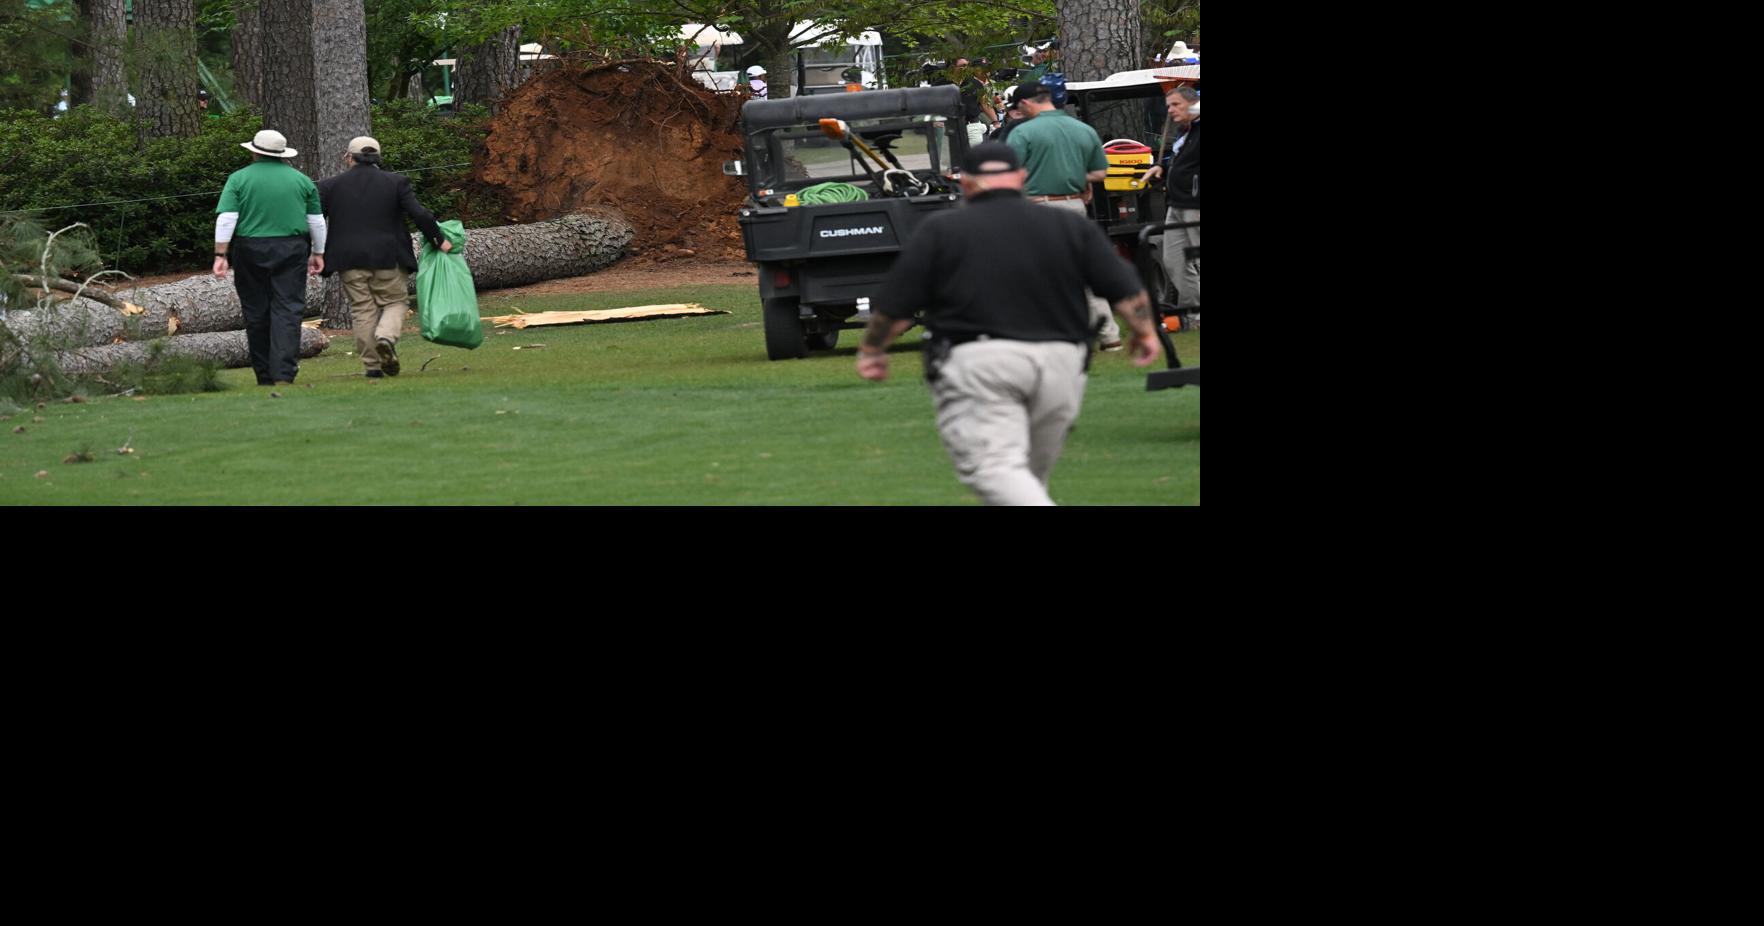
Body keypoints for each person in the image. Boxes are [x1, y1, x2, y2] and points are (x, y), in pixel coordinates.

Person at [857, 142, 1160, 506]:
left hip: (981, 360)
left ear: (965, 182)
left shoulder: (941, 229)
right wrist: (1144, 333)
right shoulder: (1067, 225)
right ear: (1021, 178)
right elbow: (1126, 290)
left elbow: (896, 307)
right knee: (1028, 477)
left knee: (995, 469)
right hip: (1062, 362)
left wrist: (873, 349)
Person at [317, 136, 451, 379]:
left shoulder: (329, 186)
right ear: (378, 157)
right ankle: (386, 338)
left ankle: (372, 366)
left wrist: (314, 251)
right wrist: (438, 238)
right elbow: (419, 214)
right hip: (389, 255)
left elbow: (315, 221)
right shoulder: (397, 182)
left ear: (349, 158)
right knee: (395, 303)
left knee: (362, 310)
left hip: (348, 258)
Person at [1004, 81, 1123, 351]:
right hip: (1075, 206)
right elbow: (1100, 173)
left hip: (1036, 208)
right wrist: (1073, 177)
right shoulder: (1083, 129)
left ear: (1025, 104)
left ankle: (1050, 334)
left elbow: (1007, 174)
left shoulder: (1023, 133)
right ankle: (1109, 334)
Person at [213, 129, 325, 386]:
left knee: (255, 310)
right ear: (282, 154)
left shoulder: (238, 179)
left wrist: (221, 254)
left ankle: (263, 373)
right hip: (292, 247)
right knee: (288, 308)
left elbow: (227, 218)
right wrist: (318, 252)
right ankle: (284, 372)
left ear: (254, 151)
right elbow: (316, 222)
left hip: (250, 247)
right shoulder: (302, 180)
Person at [1141, 87, 1200, 314]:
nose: (1170, 110)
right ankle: (1193, 313)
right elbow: (1181, 161)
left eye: (1176, 105)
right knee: (1174, 260)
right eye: (1168, 106)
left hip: (1195, 205)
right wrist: (1162, 167)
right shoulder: (1184, 131)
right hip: (1176, 204)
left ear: (1194, 104)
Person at [953, 57, 998, 146]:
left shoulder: (975, 83)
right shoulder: (943, 84)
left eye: (967, 66)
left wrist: (995, 122)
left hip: (972, 126)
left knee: (976, 156)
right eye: (962, 66)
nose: (965, 68)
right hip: (951, 127)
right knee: (951, 158)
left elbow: (985, 104)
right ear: (953, 67)